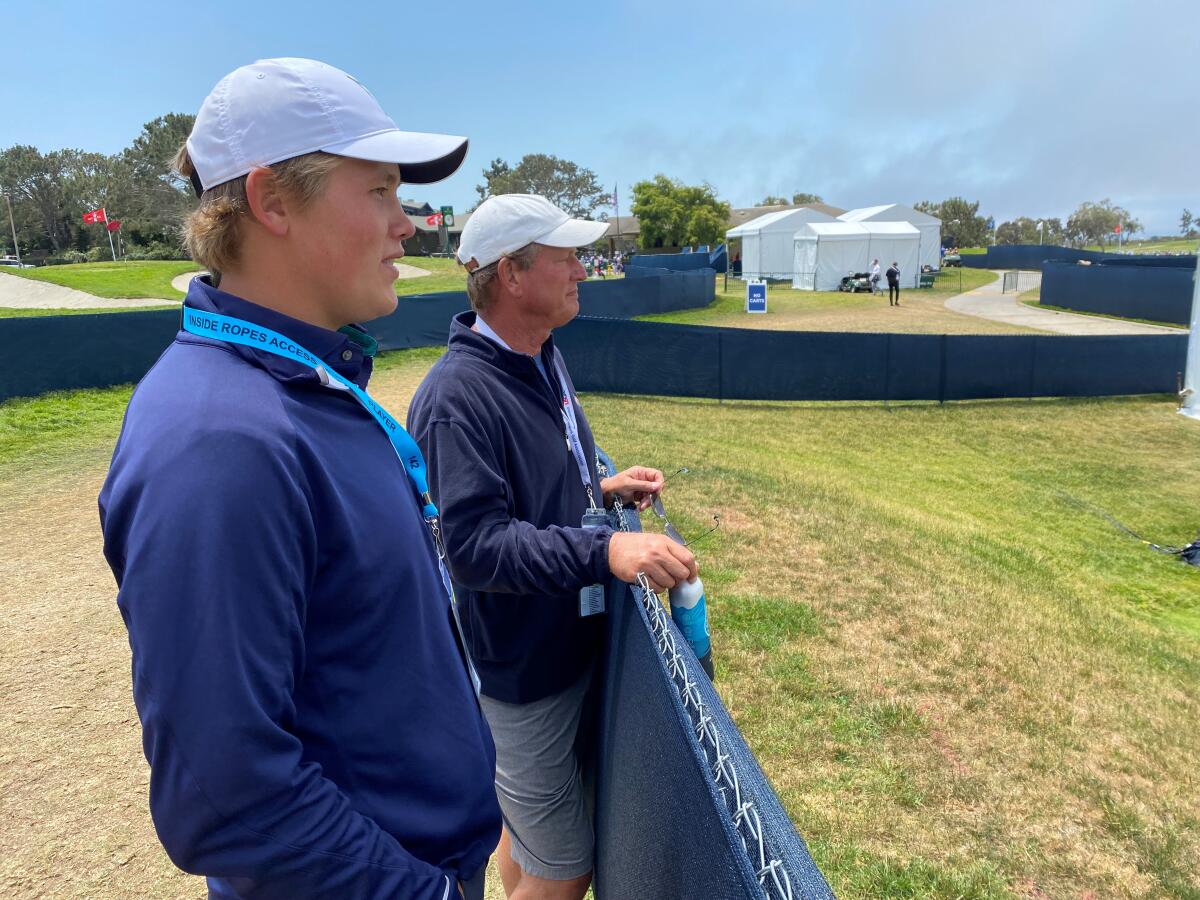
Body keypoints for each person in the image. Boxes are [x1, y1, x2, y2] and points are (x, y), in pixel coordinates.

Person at [98, 58, 501, 900]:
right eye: (382, 192)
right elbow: (225, 797)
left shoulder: (303, 389)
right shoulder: (219, 438)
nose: (411, 225)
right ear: (271, 200)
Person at [407, 194, 699, 900]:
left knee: (536, 842)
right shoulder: (456, 398)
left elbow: (537, 492)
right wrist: (604, 553)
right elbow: (475, 547)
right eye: (566, 256)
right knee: (564, 870)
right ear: (511, 273)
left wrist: (602, 486)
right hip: (522, 675)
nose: (582, 269)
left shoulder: (542, 357)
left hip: (566, 651)